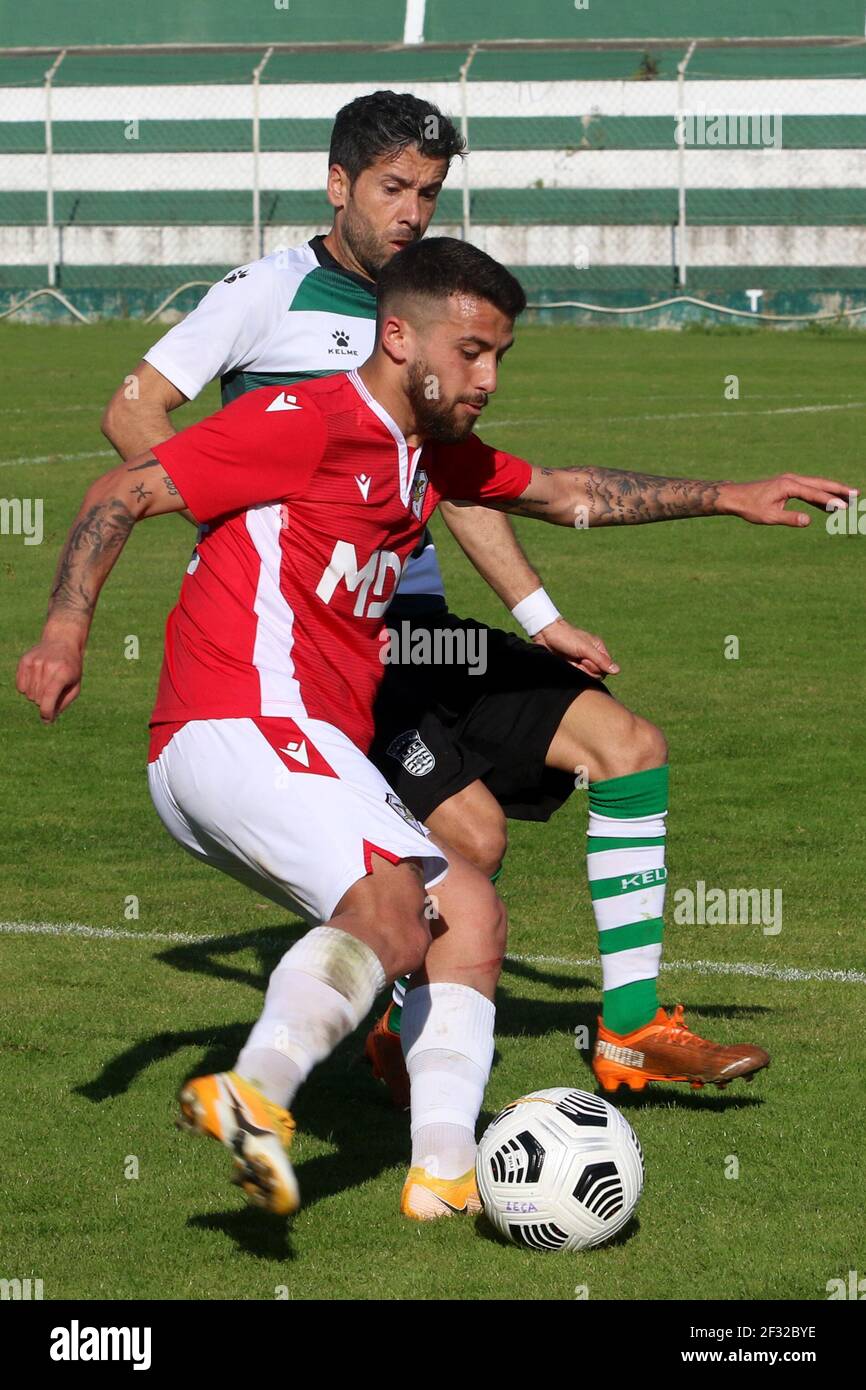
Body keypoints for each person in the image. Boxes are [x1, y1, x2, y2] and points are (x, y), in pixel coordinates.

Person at [21, 238, 852, 1224]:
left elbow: (564, 493)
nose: (487, 377)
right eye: (470, 352)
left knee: (466, 916)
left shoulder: (424, 452)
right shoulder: (302, 419)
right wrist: (66, 632)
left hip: (307, 740)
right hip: (236, 720)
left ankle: (443, 1172)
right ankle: (256, 1091)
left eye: (499, 355)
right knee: (389, 906)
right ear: (398, 334)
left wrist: (725, 494)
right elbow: (119, 490)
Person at [98, 92, 625, 1101]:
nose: (412, 212)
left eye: (428, 191)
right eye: (392, 188)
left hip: (407, 629)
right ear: (337, 186)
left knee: (592, 761)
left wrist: (535, 613)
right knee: (462, 847)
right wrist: (238, 517)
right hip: (307, 641)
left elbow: (462, 486)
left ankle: (455, 1047)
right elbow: (135, 408)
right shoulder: (267, 291)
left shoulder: (433, 311)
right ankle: (396, 1058)